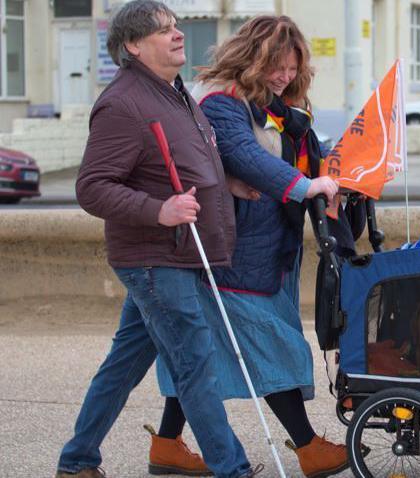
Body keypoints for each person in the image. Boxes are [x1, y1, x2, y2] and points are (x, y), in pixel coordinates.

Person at [56, 2, 264, 478]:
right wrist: (159, 211)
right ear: (132, 45)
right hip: (154, 258)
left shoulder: (173, 92)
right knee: (195, 365)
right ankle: (233, 469)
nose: (176, 35)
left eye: (175, 26)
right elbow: (92, 187)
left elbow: (182, 162)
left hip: (179, 254)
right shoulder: (122, 103)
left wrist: (225, 184)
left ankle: (77, 461)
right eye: (162, 30)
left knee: (125, 364)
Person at [142, 15, 351, 478]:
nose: (285, 76)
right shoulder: (222, 101)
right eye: (277, 66)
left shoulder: (275, 106)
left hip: (265, 251)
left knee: (204, 352)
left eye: (293, 69)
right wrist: (304, 185)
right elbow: (245, 156)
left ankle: (167, 445)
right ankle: (308, 447)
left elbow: (306, 155)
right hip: (233, 255)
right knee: (265, 346)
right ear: (252, 58)